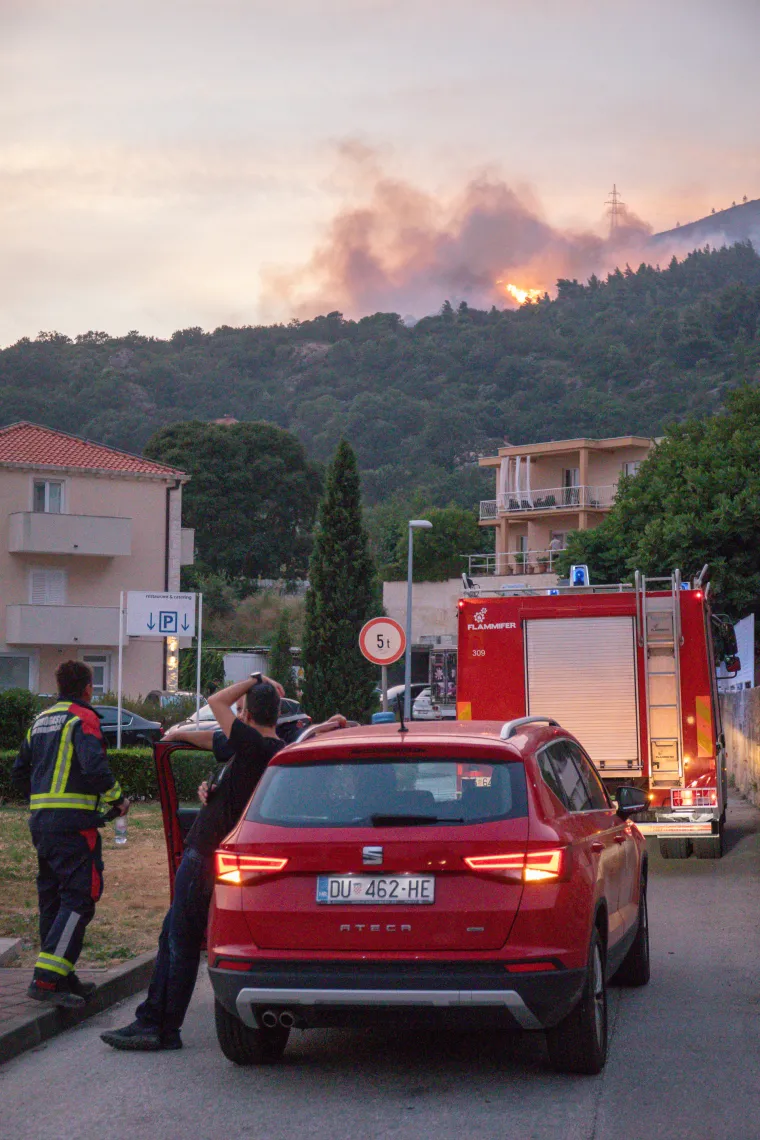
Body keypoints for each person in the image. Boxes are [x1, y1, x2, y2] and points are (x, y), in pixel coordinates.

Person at [101, 674, 346, 1052]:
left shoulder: (255, 745)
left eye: (241, 711)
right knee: (172, 937)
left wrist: (255, 679)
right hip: (206, 854)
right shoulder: (265, 749)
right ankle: (152, 1019)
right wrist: (177, 738)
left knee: (179, 943)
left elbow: (216, 702)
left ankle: (160, 1027)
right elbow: (214, 739)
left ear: (245, 714)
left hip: (205, 856)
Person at [12, 661, 129, 1008]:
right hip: (73, 828)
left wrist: (44, 801)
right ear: (88, 688)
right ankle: (47, 979)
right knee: (79, 898)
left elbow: (19, 774)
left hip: (43, 825)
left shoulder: (40, 720)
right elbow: (95, 766)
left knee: (54, 899)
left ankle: (61, 974)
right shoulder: (83, 718)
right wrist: (118, 800)